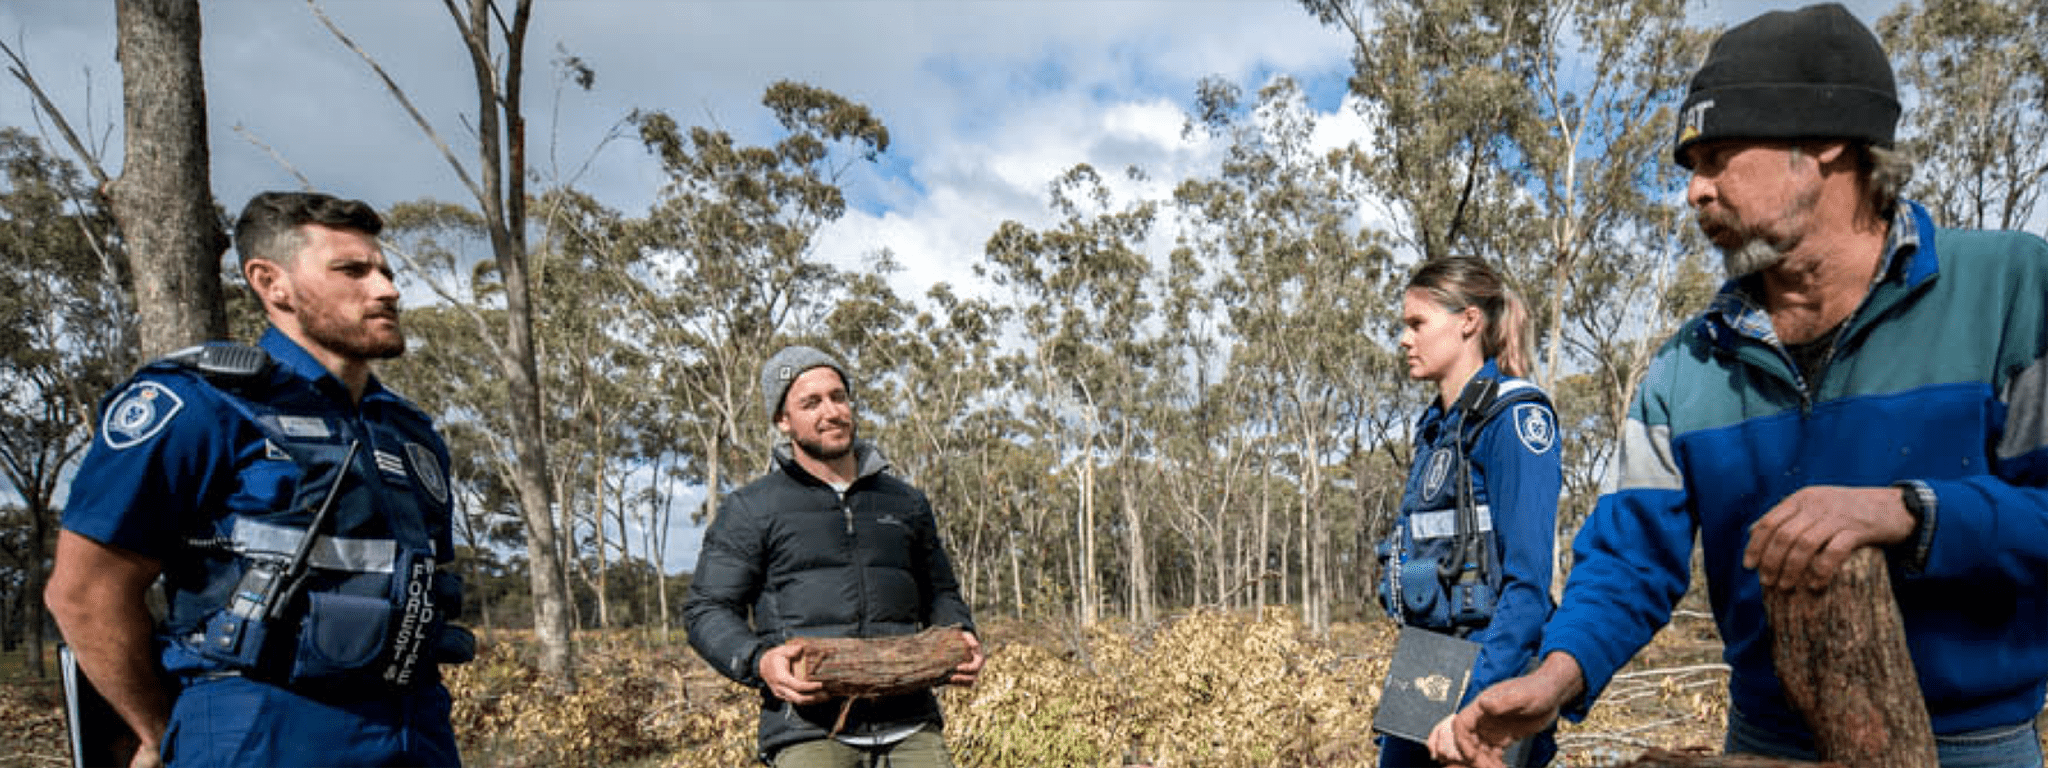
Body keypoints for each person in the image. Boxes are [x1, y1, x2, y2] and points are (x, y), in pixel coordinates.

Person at [1440, 4, 2048, 767]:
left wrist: (1910, 512)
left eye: (1718, 156)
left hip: (1974, 747)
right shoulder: (1688, 367)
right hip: (1762, 747)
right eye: (1691, 168)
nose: (1695, 191)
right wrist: (1555, 678)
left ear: (1826, 139)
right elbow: (1628, 560)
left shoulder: (2009, 290)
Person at [44, 191, 473, 767]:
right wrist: (158, 732)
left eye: (386, 272)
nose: (386, 289)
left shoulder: (406, 431)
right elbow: (84, 593)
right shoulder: (201, 406)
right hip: (257, 731)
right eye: (352, 271)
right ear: (272, 283)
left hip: (414, 730)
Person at [684, 345, 986, 767]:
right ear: (783, 420)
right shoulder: (752, 508)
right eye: (811, 403)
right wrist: (760, 661)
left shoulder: (905, 503)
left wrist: (960, 633)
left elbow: (941, 592)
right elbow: (706, 609)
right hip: (808, 728)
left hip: (910, 722)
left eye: (838, 397)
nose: (831, 412)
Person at [1378, 256, 1559, 768]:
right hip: (1427, 656)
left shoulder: (1514, 416)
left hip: (1493, 660)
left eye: (1417, 324)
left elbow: (1527, 585)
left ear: (1469, 321)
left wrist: (1478, 707)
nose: (1404, 339)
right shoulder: (1437, 429)